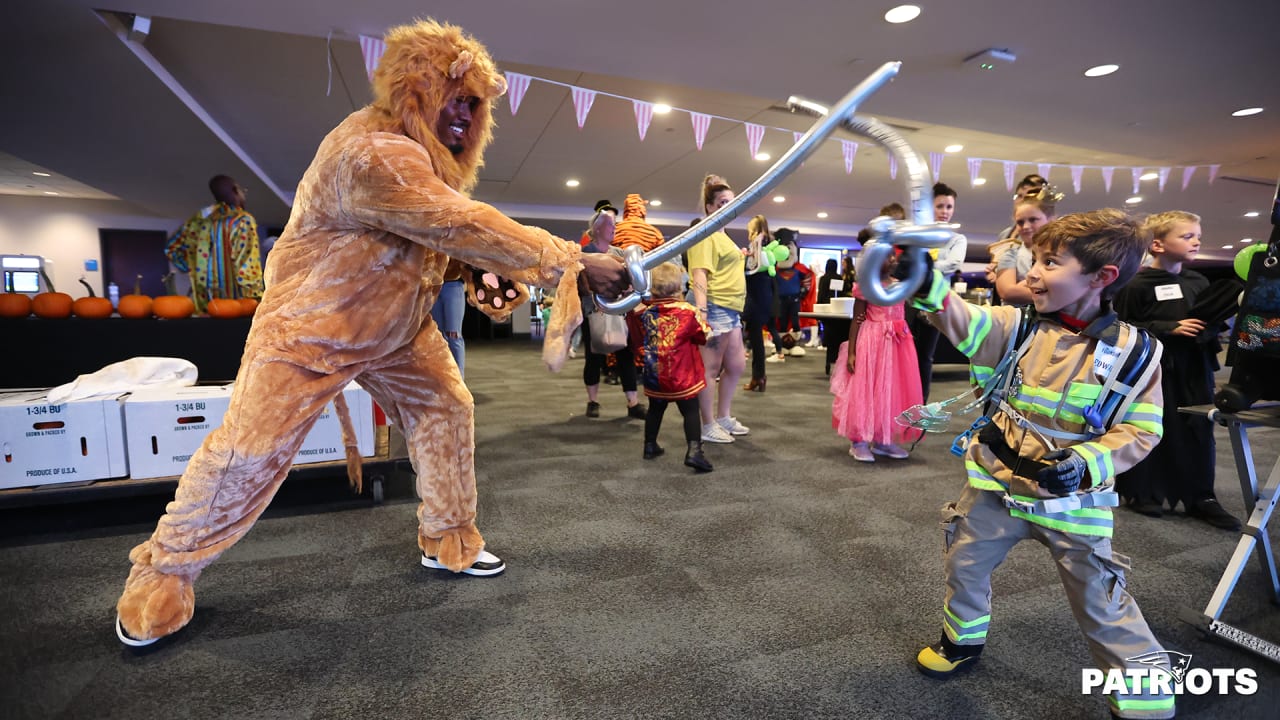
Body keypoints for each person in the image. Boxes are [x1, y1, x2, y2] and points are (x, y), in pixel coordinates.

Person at [114, 19, 630, 646]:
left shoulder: (427, 161)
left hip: (396, 332)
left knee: (447, 407)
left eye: (474, 104)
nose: (465, 115)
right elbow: (450, 220)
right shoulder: (370, 151)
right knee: (246, 453)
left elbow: (434, 237)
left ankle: (448, 536)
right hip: (309, 333)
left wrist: (473, 272)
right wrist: (571, 262)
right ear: (414, 90)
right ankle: (165, 571)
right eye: (453, 96)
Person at [910, 209, 1174, 719]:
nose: (1032, 273)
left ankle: (1142, 686)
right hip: (995, 486)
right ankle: (959, 643)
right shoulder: (1018, 327)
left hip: (1073, 500)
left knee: (1100, 592)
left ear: (1102, 278)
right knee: (964, 564)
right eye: (1035, 260)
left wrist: (1085, 460)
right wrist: (930, 286)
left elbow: (1143, 430)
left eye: (1049, 262)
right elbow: (965, 320)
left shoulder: (1135, 354)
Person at [1113, 211, 1241, 530]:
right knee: (1152, 426)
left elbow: (1210, 325)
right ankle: (1144, 492)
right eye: (1186, 236)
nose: (1196, 241)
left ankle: (1201, 497)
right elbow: (1120, 329)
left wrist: (1208, 330)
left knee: (1198, 429)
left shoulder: (1198, 281)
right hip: (1154, 371)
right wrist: (1168, 328)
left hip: (1194, 369)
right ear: (1157, 245)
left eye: (1197, 235)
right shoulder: (1135, 284)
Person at [830, 248, 922, 462]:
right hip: (873, 342)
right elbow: (857, 319)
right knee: (867, 388)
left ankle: (884, 439)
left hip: (898, 342)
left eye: (893, 256)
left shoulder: (899, 284)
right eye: (886, 256)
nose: (891, 260)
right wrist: (852, 351)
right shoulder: (866, 285)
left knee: (892, 389)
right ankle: (859, 441)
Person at [688, 174, 750, 444]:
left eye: (732, 202)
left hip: (731, 310)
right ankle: (707, 424)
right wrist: (701, 314)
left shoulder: (723, 235)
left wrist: (742, 256)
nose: (728, 207)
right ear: (710, 207)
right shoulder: (705, 232)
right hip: (714, 307)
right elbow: (699, 273)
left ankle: (723, 417)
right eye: (723, 202)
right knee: (709, 370)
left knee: (736, 366)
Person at [639, 262, 713, 472]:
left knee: (655, 410)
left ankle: (649, 445)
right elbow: (702, 335)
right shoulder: (687, 311)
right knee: (690, 412)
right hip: (682, 373)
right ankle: (694, 452)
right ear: (677, 285)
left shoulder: (647, 311)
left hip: (655, 373)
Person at [581, 209, 646, 419]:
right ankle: (593, 401)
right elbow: (581, 284)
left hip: (619, 312)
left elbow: (630, 281)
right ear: (598, 228)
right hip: (594, 312)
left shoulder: (618, 253)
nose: (614, 229)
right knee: (594, 357)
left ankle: (633, 402)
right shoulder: (585, 253)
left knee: (625, 355)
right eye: (611, 225)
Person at [165, 174, 265, 313]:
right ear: (236, 190)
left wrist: (192, 268)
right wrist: (257, 298)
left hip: (204, 306)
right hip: (237, 307)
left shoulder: (198, 221)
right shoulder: (242, 220)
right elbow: (247, 264)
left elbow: (171, 248)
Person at [908, 182, 967, 401]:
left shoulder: (956, 239)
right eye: (940, 206)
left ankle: (919, 406)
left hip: (934, 303)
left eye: (949, 207)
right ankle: (899, 402)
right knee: (904, 354)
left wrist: (923, 267)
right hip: (909, 301)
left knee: (924, 357)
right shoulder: (917, 235)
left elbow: (953, 264)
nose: (945, 212)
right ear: (930, 206)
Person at [993, 186, 1061, 307]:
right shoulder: (1010, 253)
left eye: (1033, 220)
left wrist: (1025, 286)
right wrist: (1054, 292)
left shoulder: (1063, 251)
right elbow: (1007, 292)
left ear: (1051, 220)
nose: (1025, 226)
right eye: (1020, 222)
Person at [743, 215, 783, 389]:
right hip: (764, 293)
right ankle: (759, 376)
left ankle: (758, 376)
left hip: (756, 293)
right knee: (755, 335)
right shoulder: (768, 246)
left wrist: (744, 257)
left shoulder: (759, 246)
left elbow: (752, 269)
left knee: (755, 335)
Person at [432, 270, 467, 375]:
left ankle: (459, 379)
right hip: (433, 285)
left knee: (453, 334)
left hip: (453, 283)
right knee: (438, 336)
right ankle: (442, 378)